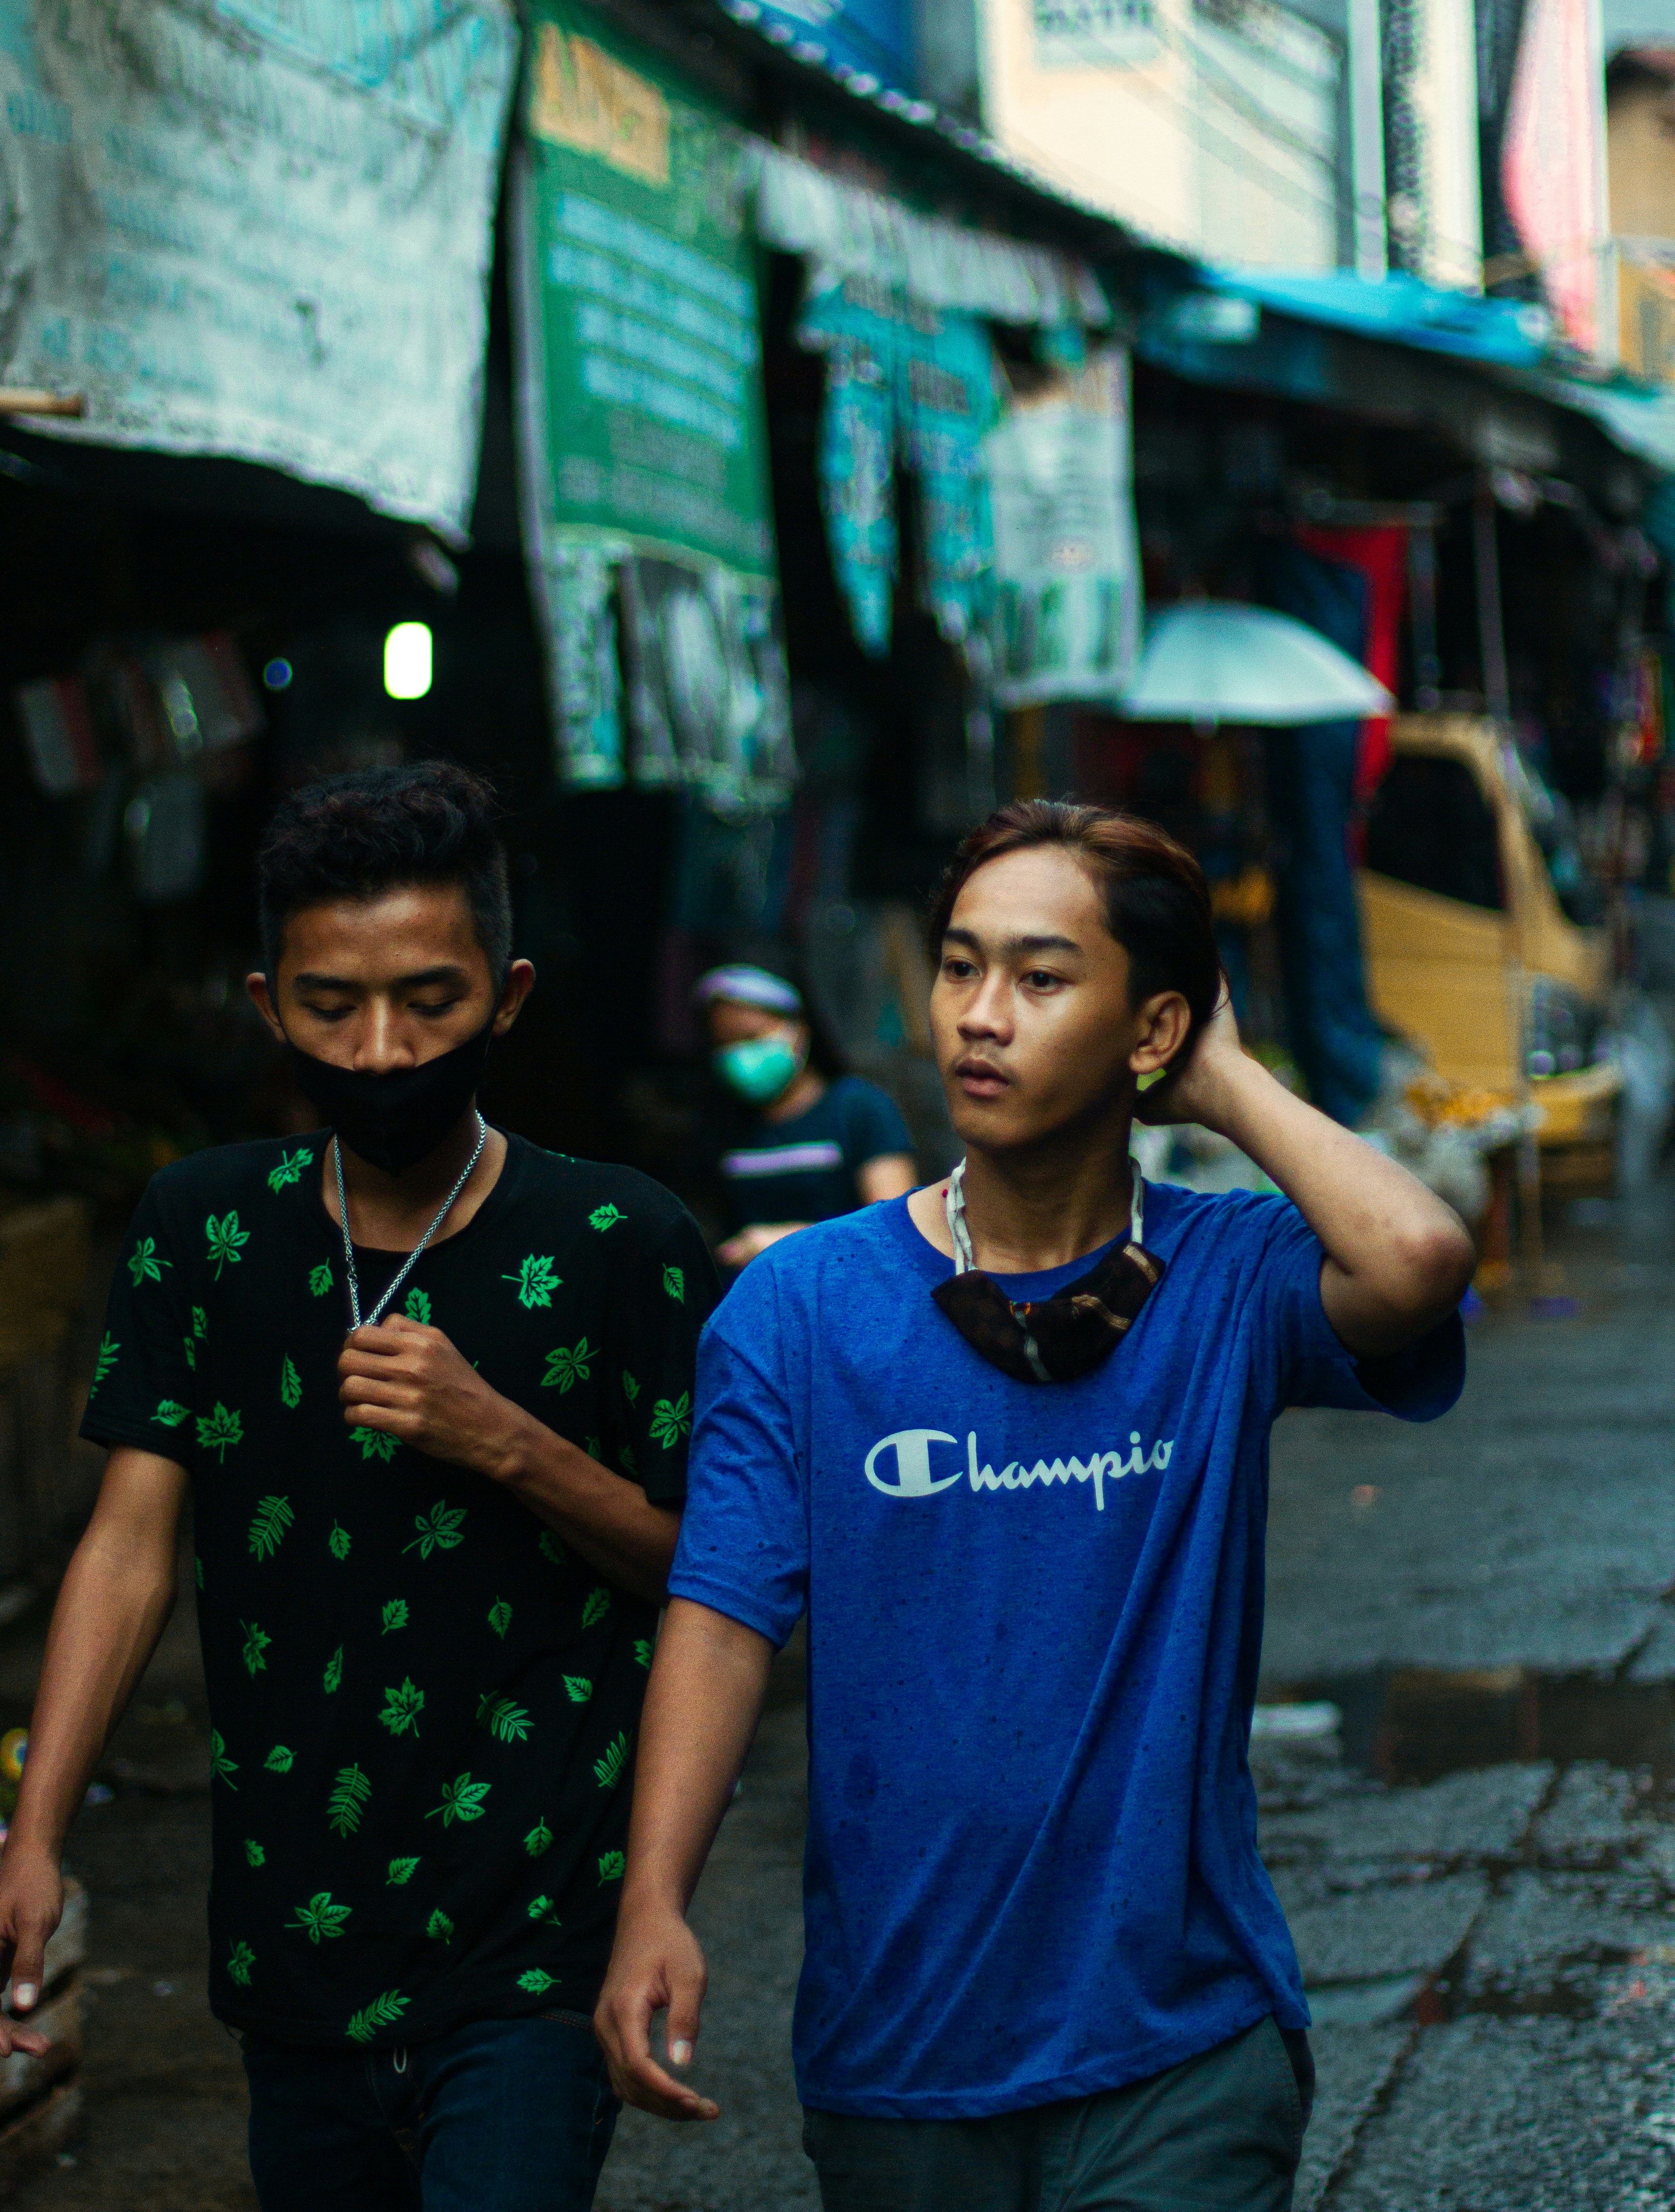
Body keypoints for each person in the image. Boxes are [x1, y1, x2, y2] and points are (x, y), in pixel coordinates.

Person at [595, 798, 1475, 2212]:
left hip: (1181, 2047)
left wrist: (1222, 1081)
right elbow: (720, 1613)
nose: (979, 1014)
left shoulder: (1227, 1275)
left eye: (1041, 977)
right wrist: (655, 1898)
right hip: (900, 2054)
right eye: (960, 965)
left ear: (1151, 1026)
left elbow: (1420, 1256)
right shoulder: (799, 1304)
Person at [0, 762, 717, 2212]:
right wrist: (38, 1836)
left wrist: (504, 1439)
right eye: (332, 1006)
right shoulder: (202, 1228)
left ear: (506, 997)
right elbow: (127, 1550)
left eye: (429, 1001)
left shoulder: (619, 1239)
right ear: (269, 1006)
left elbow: (713, 1580)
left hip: (533, 1931)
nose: (382, 1050)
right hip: (294, 1934)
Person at [695, 962, 916, 1272]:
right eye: (726, 1043)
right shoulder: (723, 1124)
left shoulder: (859, 1108)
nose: (740, 1055)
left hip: (845, 1287)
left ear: (798, 1032)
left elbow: (894, 1233)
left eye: (752, 1037)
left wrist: (788, 1244)